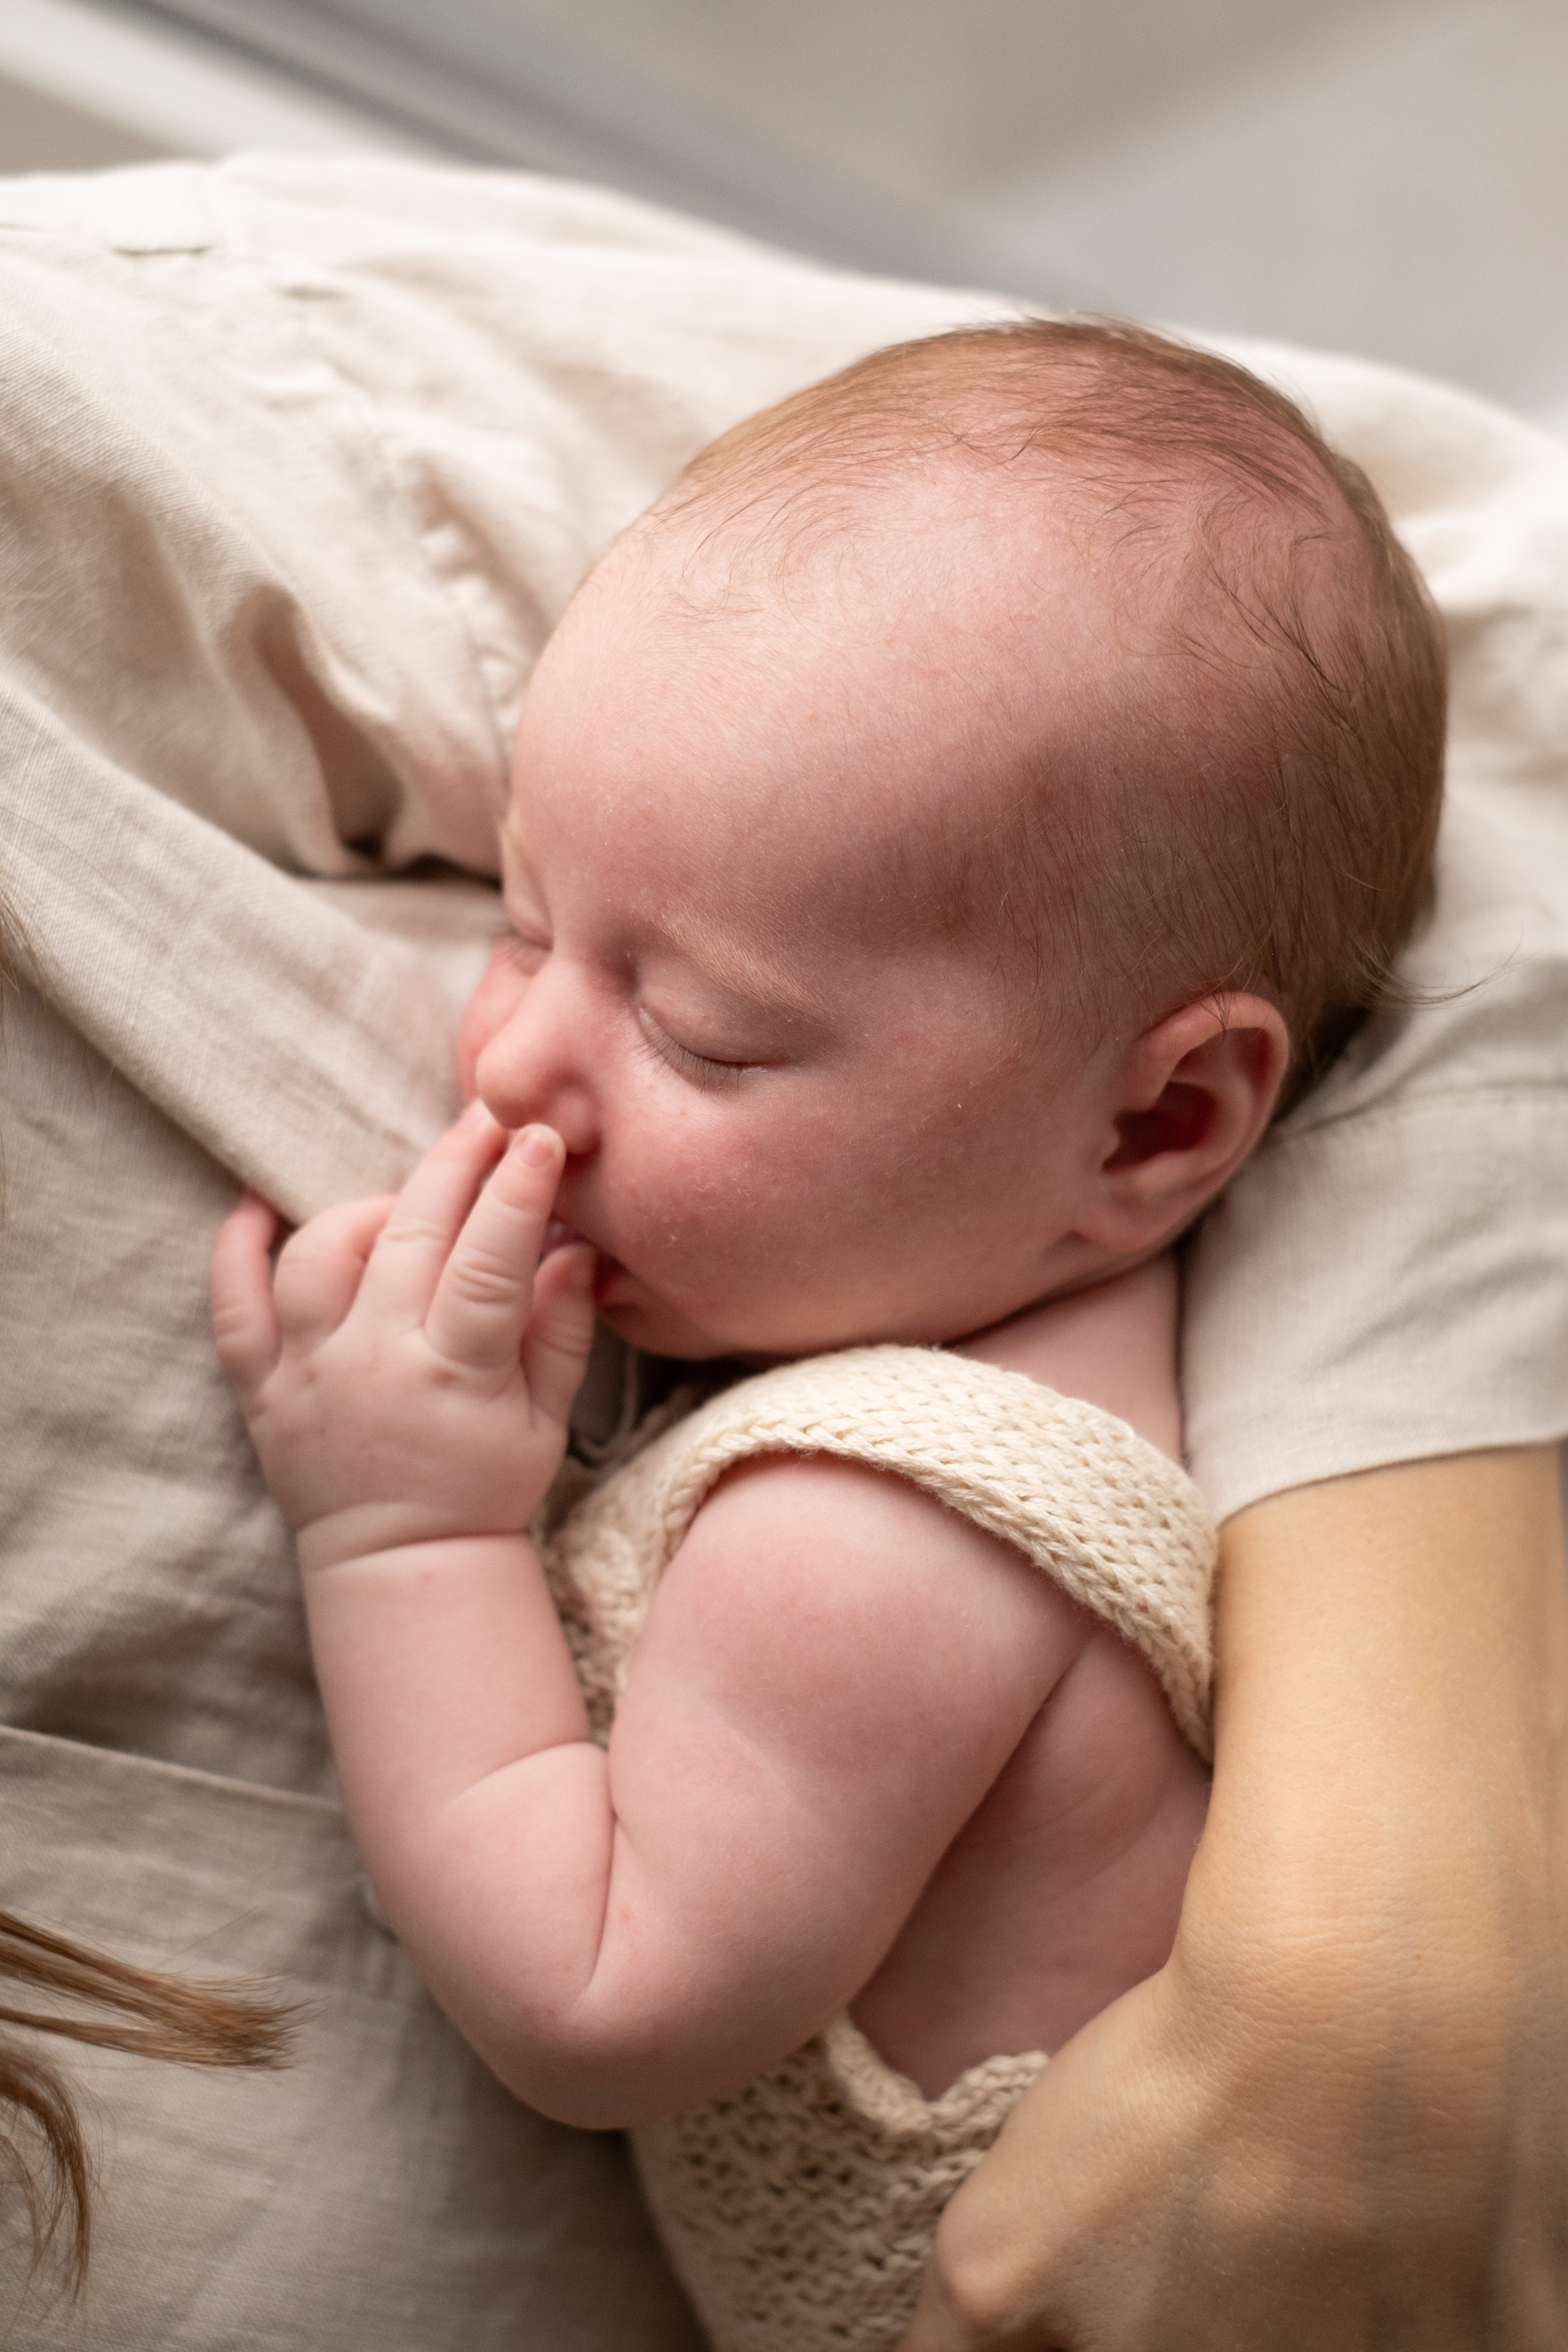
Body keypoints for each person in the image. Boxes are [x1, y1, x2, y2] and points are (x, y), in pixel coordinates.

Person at [3, 152, 1566, 2349]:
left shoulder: (871, 1529)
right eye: (530, 916)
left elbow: (601, 1991)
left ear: (1162, 1120)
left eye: (703, 1027)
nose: (524, 1061)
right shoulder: (1102, 1315)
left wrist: (403, 1529)